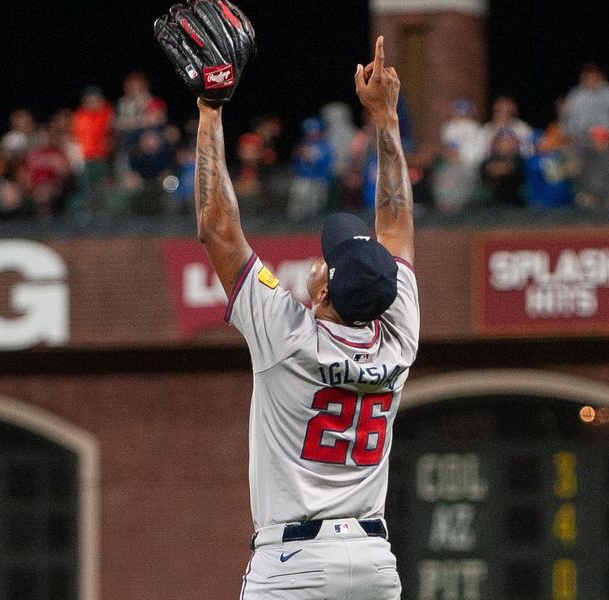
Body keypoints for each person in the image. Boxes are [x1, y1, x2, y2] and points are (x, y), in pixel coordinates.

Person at [189, 36, 417, 599]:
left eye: (327, 260)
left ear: (324, 294)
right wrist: (386, 119)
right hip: (372, 561)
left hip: (296, 562)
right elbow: (396, 225)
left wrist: (209, 109)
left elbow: (217, 226)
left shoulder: (289, 336)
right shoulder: (397, 334)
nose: (320, 259)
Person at [561, 63, 609, 146]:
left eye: (594, 74)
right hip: (581, 144)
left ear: (601, 75)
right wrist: (571, 135)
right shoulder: (575, 95)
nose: (591, 78)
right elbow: (564, 123)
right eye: (588, 74)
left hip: (606, 144)